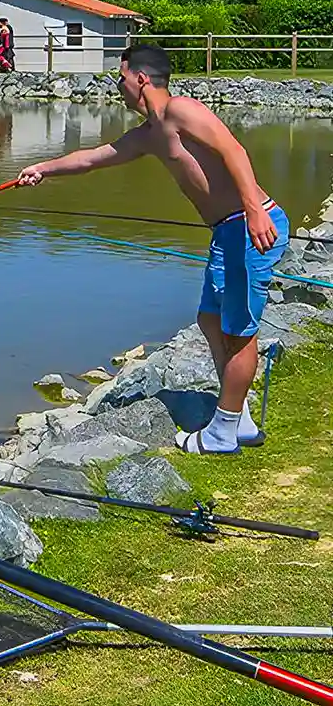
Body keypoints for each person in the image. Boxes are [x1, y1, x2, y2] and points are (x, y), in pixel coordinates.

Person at [17, 43, 287, 453]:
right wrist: (42, 169)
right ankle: (240, 420)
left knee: (239, 333)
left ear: (141, 78)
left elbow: (234, 149)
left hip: (249, 227)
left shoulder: (181, 110)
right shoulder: (149, 134)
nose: (119, 87)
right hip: (226, 232)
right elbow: (94, 158)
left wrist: (253, 210)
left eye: (121, 78)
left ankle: (222, 432)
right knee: (210, 320)